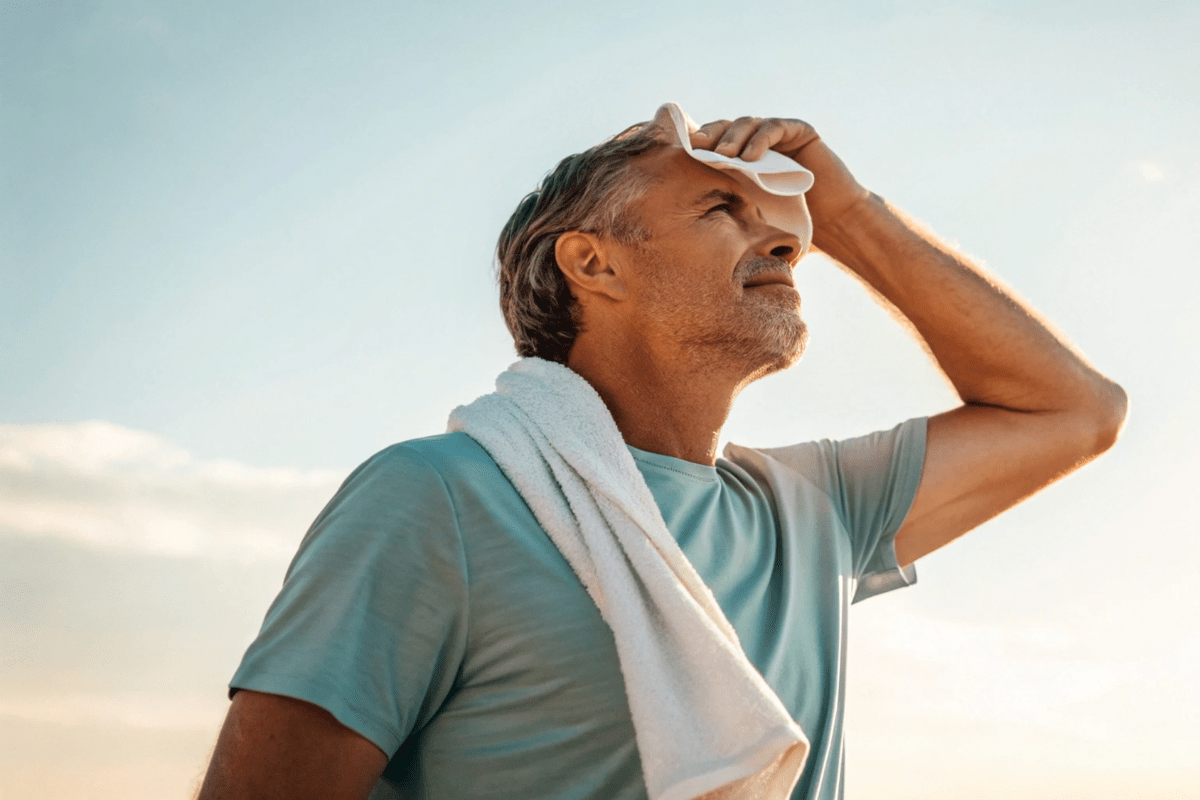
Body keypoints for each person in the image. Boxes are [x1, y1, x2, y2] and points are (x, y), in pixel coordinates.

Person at [196, 106, 1127, 800]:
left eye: (791, 227)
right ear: (594, 264)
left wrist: (848, 212)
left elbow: (1074, 411)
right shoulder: (436, 498)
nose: (784, 240)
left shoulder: (815, 505)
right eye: (721, 206)